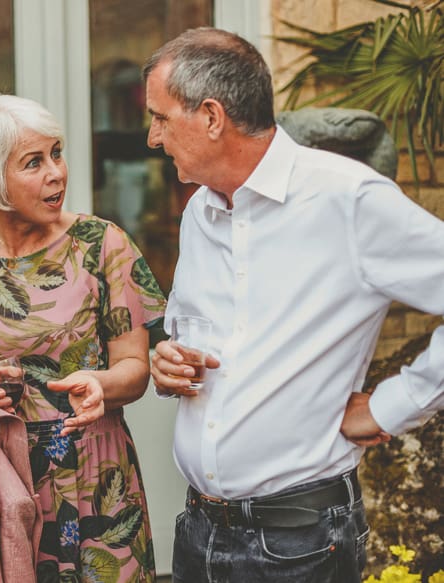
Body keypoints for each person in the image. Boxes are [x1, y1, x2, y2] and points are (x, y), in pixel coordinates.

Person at [144, 27, 444, 583]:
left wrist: (393, 404)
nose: (152, 138)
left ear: (211, 117)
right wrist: (168, 364)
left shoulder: (348, 199)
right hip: (198, 532)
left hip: (301, 543)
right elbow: (191, 333)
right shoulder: (197, 214)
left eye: (160, 118)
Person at [0, 93, 167, 581]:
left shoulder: (101, 245)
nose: (57, 173)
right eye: (33, 162)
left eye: (57, 153)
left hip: (93, 475)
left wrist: (104, 385)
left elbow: (135, 367)